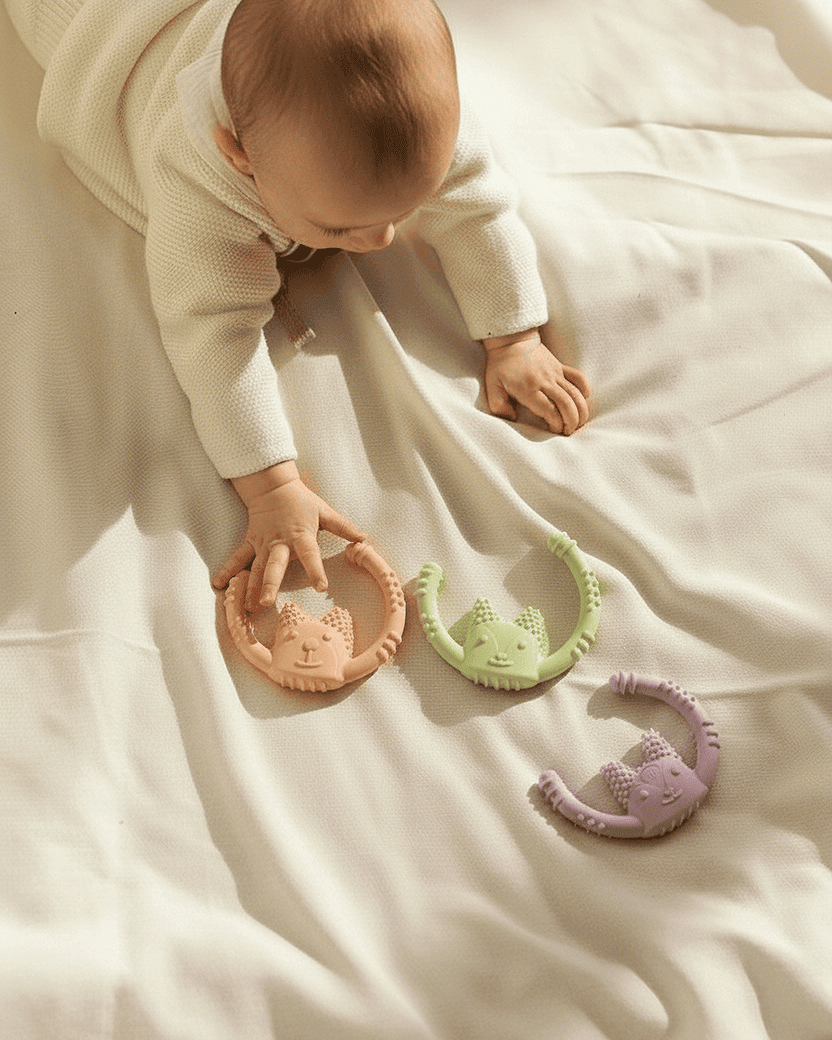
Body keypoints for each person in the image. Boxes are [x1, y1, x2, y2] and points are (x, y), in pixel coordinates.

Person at [5, 0, 592, 610]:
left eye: (405, 209)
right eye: (340, 229)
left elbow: (477, 203)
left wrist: (514, 338)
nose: (382, 240)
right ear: (239, 155)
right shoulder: (198, 184)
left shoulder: (412, 119)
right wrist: (269, 487)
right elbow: (213, 337)